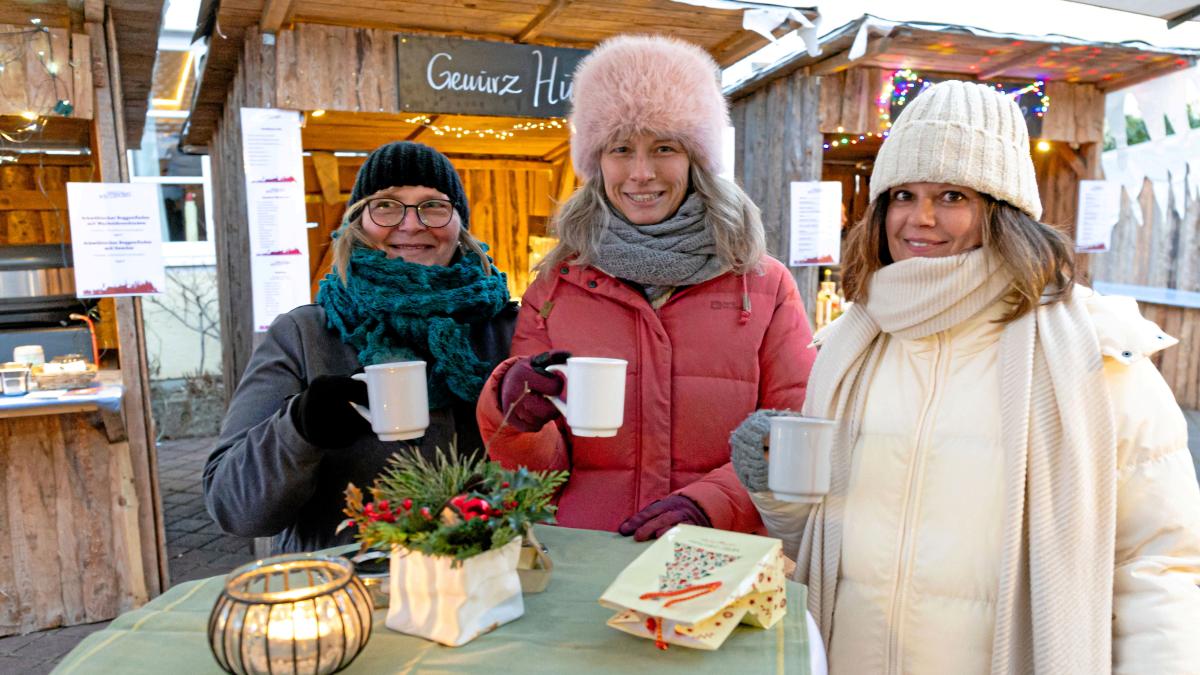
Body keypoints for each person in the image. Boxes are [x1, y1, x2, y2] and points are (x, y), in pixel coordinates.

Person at [731, 80, 1200, 673]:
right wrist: (778, 491)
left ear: (1002, 212)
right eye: (903, 194)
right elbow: (821, 542)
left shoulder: (1097, 355)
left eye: (952, 195)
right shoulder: (851, 348)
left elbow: (1157, 563)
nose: (920, 219)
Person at [476, 35, 815, 541]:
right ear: (596, 163)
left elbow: (794, 435)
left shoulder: (763, 285)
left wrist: (710, 505)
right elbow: (538, 477)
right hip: (588, 557)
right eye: (620, 148)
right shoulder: (555, 287)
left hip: (715, 556)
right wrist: (513, 415)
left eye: (664, 148)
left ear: (696, 159)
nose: (641, 172)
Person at [205, 142, 518, 553]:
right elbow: (234, 507)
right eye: (387, 206)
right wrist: (298, 428)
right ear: (358, 222)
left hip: (486, 583)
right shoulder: (304, 335)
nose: (411, 224)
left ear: (459, 223)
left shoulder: (507, 330)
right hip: (346, 596)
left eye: (434, 206)